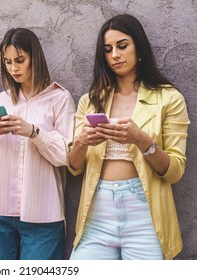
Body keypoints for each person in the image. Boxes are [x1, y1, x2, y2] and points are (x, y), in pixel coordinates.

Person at [67, 14, 189, 260]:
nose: (115, 55)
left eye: (122, 46)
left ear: (139, 49)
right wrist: (82, 141)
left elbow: (175, 171)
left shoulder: (169, 98)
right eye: (108, 49)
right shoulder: (91, 100)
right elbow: (74, 167)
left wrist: (142, 140)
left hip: (145, 213)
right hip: (96, 211)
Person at [0, 28, 76, 260]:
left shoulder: (60, 98)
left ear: (35, 57)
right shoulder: (1, 100)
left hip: (43, 211)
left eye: (20, 60)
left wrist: (33, 132)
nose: (13, 68)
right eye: (8, 62)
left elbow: (66, 155)